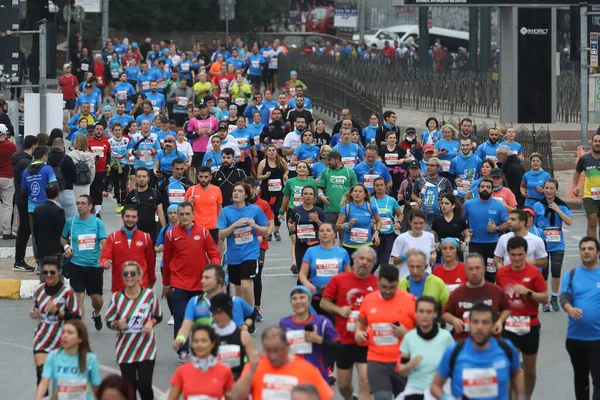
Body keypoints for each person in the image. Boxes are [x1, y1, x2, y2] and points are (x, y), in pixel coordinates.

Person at [163, 202, 221, 362]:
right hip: (178, 282)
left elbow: (214, 253)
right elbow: (167, 260)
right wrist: (166, 284)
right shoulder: (171, 235)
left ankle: (202, 346)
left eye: (187, 214)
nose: (184, 217)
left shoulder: (203, 232)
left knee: (200, 318)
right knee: (180, 317)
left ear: (193, 214)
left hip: (199, 284)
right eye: (181, 214)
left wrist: (214, 273)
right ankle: (182, 350)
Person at [431, 302, 524, 400]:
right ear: (469, 324)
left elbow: (517, 374)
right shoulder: (454, 351)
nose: (479, 327)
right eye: (475, 322)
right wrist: (447, 398)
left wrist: (520, 396)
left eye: (485, 322)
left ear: (493, 325)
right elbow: (435, 386)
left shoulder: (506, 349)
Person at [320, 246, 378, 400]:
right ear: (354, 259)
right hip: (344, 339)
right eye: (361, 259)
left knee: (366, 383)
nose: (364, 262)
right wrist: (338, 310)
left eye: (369, 260)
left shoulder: (377, 283)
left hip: (367, 340)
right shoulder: (339, 280)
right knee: (344, 386)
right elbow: (324, 303)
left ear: (373, 265)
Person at [496, 236, 548, 400]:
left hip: (530, 325)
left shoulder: (533, 273)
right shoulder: (502, 273)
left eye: (520, 255)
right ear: (508, 254)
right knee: (509, 369)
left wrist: (528, 293)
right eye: (513, 255)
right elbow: (498, 297)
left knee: (530, 371)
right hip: (508, 325)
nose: (517, 258)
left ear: (526, 253)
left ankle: (525, 396)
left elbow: (545, 298)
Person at [355, 264, 416, 399]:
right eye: (384, 287)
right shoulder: (369, 299)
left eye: (392, 287)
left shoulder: (410, 300)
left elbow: (424, 332)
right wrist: (358, 332)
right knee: (382, 397)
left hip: (404, 362)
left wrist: (406, 334)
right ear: (378, 282)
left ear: (398, 283)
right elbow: (361, 320)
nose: (388, 291)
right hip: (377, 361)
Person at [105, 261, 162, 400]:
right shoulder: (117, 297)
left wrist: (150, 322)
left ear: (139, 276)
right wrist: (117, 324)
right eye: (125, 273)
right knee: (129, 388)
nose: (129, 276)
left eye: (132, 273)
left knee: (144, 385)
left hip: (146, 347)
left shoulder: (149, 296)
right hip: (125, 348)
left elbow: (158, 316)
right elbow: (109, 321)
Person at [230, 326, 335, 400]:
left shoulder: (307, 370)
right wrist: (252, 370)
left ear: (288, 346)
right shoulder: (255, 366)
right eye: (268, 350)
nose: (272, 356)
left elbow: (327, 396)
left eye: (276, 350)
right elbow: (235, 396)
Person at [173, 263, 256, 355]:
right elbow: (185, 327)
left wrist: (245, 326)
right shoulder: (194, 302)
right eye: (202, 277)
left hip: (231, 354)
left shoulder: (235, 302)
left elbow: (252, 315)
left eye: (207, 278)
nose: (202, 281)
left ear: (220, 281)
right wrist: (180, 338)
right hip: (204, 354)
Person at [31, 256, 80, 398]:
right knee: (42, 375)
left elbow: (76, 317)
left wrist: (57, 312)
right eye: (45, 272)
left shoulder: (67, 292)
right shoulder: (39, 290)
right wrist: (34, 313)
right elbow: (37, 308)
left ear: (59, 272)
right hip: (42, 338)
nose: (48, 276)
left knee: (60, 382)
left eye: (52, 272)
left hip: (62, 341)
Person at [217, 182, 269, 308]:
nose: (236, 193)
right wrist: (235, 225)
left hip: (250, 253)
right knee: (238, 288)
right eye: (235, 191)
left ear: (246, 195)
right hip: (234, 255)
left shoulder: (255, 210)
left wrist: (254, 226)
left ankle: (250, 314)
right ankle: (240, 314)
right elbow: (221, 235)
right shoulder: (226, 211)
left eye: (240, 191)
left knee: (246, 284)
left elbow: (265, 231)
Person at [560, 236, 600, 400]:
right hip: (575, 338)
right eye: (583, 249)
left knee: (598, 381)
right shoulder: (571, 275)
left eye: (590, 248)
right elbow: (564, 298)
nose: (586, 252)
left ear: (598, 253)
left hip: (598, 339)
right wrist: (570, 309)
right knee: (581, 381)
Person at [60, 194, 107, 327]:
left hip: (94, 266)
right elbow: (63, 238)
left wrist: (103, 258)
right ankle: (79, 330)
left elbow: (105, 243)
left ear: (90, 206)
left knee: (97, 299)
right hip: (76, 265)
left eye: (83, 203)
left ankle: (96, 313)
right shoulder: (71, 222)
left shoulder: (98, 223)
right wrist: (67, 247)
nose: (79, 206)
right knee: (78, 297)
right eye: (78, 203)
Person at [442, 254, 511, 341]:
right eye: (470, 269)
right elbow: (445, 313)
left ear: (484, 269)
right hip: (464, 342)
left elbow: (507, 309)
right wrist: (454, 320)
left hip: (491, 341)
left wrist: (500, 321)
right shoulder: (458, 293)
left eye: (477, 268)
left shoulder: (495, 290)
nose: (474, 272)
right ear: (465, 271)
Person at [280, 285, 342, 382]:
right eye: (294, 299)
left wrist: (320, 340)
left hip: (317, 376)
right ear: (291, 302)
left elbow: (339, 349)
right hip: (292, 375)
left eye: (302, 297)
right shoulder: (284, 323)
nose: (298, 302)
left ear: (309, 301)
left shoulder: (322, 322)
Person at [397, 296, 454, 400]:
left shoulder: (446, 337)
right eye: (421, 311)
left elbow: (455, 366)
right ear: (416, 313)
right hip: (415, 389)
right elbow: (401, 370)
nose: (424, 315)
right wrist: (410, 364)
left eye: (429, 312)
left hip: (440, 390)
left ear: (435, 314)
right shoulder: (409, 338)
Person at [533, 178, 573, 312]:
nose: (549, 191)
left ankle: (554, 298)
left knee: (556, 271)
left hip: (557, 244)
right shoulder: (538, 205)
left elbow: (569, 221)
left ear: (556, 190)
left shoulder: (562, 205)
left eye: (552, 188)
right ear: (543, 189)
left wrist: (557, 209)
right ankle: (545, 300)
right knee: (543, 274)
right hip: (542, 244)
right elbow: (532, 224)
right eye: (547, 188)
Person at [36, 319, 102, 400]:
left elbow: (96, 386)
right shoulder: (53, 356)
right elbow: (44, 382)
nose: (64, 336)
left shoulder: (90, 358)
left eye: (70, 333)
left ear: (80, 338)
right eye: (63, 332)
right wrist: (38, 398)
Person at [168, 325, 235, 400]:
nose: (199, 344)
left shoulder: (225, 371)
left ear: (212, 344)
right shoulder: (182, 371)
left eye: (204, 341)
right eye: (196, 341)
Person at [100, 206, 155, 292]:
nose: (130, 219)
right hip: (120, 286)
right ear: (122, 217)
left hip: (140, 285)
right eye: (127, 216)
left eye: (133, 217)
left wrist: (152, 279)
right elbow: (104, 257)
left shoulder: (145, 237)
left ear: (137, 219)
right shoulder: (113, 237)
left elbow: (150, 262)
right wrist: (105, 263)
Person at [463, 179, 509, 282]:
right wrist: (465, 231)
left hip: (492, 244)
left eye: (488, 187)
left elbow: (506, 223)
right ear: (478, 189)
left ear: (492, 190)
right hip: (475, 243)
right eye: (482, 187)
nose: (485, 189)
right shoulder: (468, 204)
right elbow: (461, 220)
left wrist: (497, 228)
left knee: (491, 274)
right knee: (475, 272)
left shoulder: (499, 205)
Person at [243, 176, 275, 321]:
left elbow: (271, 224)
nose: (249, 191)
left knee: (256, 276)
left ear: (256, 188)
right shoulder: (239, 205)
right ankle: (244, 307)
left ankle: (257, 308)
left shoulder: (263, 204)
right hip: (242, 246)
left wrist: (263, 236)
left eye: (251, 188)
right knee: (243, 278)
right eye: (246, 189)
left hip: (259, 245)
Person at [299, 221, 351, 305]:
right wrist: (307, 284)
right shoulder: (311, 251)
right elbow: (302, 274)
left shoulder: (342, 252)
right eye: (322, 231)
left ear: (334, 235)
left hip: (336, 296)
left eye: (328, 230)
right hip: (316, 296)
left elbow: (348, 275)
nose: (324, 233)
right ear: (318, 235)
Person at [209, 292, 256, 379]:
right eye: (213, 313)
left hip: (238, 382)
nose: (216, 317)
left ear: (229, 312)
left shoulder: (243, 336)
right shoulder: (208, 335)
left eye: (219, 312)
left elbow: (254, 364)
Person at [12, 135, 38, 271]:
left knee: (25, 229)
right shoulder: (25, 163)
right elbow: (27, 183)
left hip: (21, 198)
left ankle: (19, 260)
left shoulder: (19, 160)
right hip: (25, 200)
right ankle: (19, 260)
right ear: (34, 146)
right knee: (24, 230)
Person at [336, 183, 382, 259]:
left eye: (360, 191)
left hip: (366, 245)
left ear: (364, 195)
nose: (357, 193)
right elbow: (337, 227)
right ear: (351, 194)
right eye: (355, 191)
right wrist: (348, 225)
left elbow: (379, 221)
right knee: (350, 270)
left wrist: (377, 232)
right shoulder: (346, 208)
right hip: (349, 245)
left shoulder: (371, 207)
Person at [391, 209, 436, 280]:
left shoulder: (430, 236)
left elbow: (432, 252)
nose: (418, 226)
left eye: (421, 223)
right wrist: (404, 255)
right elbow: (395, 261)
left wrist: (433, 256)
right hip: (406, 279)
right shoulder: (402, 238)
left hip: (426, 279)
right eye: (415, 223)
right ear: (410, 222)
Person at [125, 167, 166, 244]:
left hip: (151, 232)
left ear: (148, 179)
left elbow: (160, 213)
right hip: (135, 231)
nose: (141, 179)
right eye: (139, 176)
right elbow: (126, 215)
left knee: (150, 255)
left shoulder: (155, 193)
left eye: (144, 176)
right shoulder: (131, 195)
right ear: (136, 178)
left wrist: (163, 231)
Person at [184, 166, 223, 246]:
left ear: (210, 177)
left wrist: (222, 225)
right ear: (197, 177)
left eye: (206, 177)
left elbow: (219, 209)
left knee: (211, 253)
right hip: (196, 227)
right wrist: (189, 203)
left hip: (213, 227)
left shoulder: (216, 190)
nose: (203, 179)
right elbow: (184, 209)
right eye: (201, 177)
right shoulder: (191, 190)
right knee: (197, 253)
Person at [369, 177, 402, 272]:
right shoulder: (369, 201)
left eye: (381, 185)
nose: (379, 187)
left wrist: (398, 222)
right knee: (374, 262)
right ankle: (367, 282)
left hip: (389, 234)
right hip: (375, 235)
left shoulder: (391, 200)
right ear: (374, 187)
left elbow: (400, 214)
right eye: (377, 185)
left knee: (384, 261)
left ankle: (384, 284)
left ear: (385, 186)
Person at [258, 144, 288, 240]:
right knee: (267, 210)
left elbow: (287, 170)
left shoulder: (281, 161)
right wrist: (265, 176)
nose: (271, 152)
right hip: (266, 190)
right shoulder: (263, 163)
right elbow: (258, 177)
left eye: (273, 150)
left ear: (276, 152)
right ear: (266, 153)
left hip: (279, 190)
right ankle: (268, 230)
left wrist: (285, 175)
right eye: (269, 150)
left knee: (278, 210)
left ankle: (276, 230)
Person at [573, 132, 600, 239]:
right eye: (595, 141)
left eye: (599, 142)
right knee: (592, 221)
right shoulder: (584, 159)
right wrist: (575, 186)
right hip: (590, 195)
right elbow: (577, 172)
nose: (598, 143)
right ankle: (593, 246)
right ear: (591, 143)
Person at [410, 157, 453, 225]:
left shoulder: (445, 181)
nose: (429, 167)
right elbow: (413, 194)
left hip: (441, 217)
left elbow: (451, 197)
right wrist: (417, 199)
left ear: (438, 168)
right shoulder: (419, 180)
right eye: (428, 165)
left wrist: (443, 202)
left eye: (432, 165)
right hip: (424, 218)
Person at [32, 184, 66, 266]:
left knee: (43, 274)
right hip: (56, 250)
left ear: (46, 194)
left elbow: (35, 231)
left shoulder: (37, 209)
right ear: (58, 194)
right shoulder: (59, 211)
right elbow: (62, 232)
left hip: (42, 248)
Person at [431, 193, 469, 261]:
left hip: (457, 254)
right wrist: (435, 244)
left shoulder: (460, 220)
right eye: (442, 203)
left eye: (447, 203)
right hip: (442, 254)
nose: (443, 206)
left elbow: (467, 236)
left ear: (453, 205)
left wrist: (465, 243)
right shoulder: (437, 221)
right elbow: (431, 237)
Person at [88, 123, 110, 217]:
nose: (99, 131)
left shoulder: (106, 142)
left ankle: (98, 210)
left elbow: (108, 155)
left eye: (101, 129)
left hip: (101, 170)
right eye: (97, 129)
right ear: (94, 130)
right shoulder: (89, 141)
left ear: (103, 131)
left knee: (99, 190)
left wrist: (108, 164)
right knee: (91, 189)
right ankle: (90, 207)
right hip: (91, 170)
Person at [378, 130, 409, 197]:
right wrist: (379, 160)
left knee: (396, 189)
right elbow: (378, 159)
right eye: (390, 138)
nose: (392, 139)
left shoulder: (399, 148)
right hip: (386, 172)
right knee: (387, 189)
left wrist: (403, 159)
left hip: (397, 173)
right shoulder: (382, 149)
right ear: (386, 139)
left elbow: (409, 159)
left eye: (394, 138)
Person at [108, 122, 131, 212]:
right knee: (116, 185)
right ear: (113, 131)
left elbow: (129, 149)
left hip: (124, 164)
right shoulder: (110, 141)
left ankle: (123, 203)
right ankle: (118, 203)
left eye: (119, 130)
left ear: (122, 131)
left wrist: (130, 153)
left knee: (123, 185)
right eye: (116, 130)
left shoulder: (126, 140)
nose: (117, 132)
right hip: (114, 165)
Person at [0, 124, 17, 239]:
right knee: (7, 206)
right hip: (7, 177)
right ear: (5, 134)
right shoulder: (10, 146)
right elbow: (17, 157)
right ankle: (6, 231)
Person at [69, 134, 96, 199]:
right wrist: (89, 183)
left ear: (78, 143)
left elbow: (68, 172)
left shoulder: (70, 155)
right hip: (86, 185)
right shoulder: (90, 156)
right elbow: (92, 172)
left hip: (74, 185)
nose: (74, 142)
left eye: (75, 141)